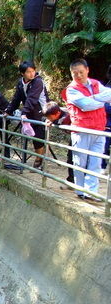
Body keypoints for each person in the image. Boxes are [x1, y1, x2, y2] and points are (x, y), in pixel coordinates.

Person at [61, 58, 111, 200]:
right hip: (81, 130)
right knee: (80, 162)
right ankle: (80, 191)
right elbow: (86, 105)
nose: (79, 76)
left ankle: (91, 192)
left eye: (81, 72)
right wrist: (101, 101)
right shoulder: (71, 90)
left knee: (95, 162)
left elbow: (109, 95)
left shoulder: (96, 84)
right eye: (75, 73)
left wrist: (92, 98)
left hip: (99, 129)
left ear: (87, 70)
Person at [4, 60, 50, 169]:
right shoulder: (21, 83)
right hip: (30, 113)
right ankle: (40, 157)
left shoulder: (38, 82)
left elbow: (32, 99)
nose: (31, 74)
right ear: (22, 73)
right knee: (34, 136)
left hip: (41, 111)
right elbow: (16, 98)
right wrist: (8, 111)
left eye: (33, 71)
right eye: (28, 72)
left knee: (38, 137)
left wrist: (24, 113)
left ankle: (40, 159)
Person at [43, 102, 74, 186]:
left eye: (50, 116)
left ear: (58, 113)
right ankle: (71, 181)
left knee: (74, 158)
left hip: (80, 135)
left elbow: (61, 121)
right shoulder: (59, 111)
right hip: (74, 136)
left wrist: (52, 122)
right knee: (70, 158)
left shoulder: (66, 117)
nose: (49, 118)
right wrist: (51, 120)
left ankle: (75, 182)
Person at [103, 64, 111, 170]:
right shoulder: (107, 88)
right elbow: (105, 107)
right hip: (107, 124)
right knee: (104, 148)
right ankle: (103, 167)